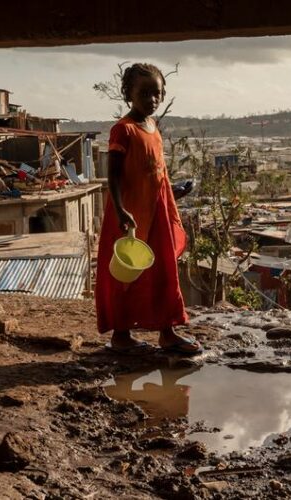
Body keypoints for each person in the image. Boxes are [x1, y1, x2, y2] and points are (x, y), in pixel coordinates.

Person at [95, 63, 202, 356]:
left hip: (156, 213)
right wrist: (120, 210)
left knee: (164, 271)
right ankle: (121, 334)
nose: (151, 100)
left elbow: (156, 173)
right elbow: (113, 176)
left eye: (156, 94)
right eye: (144, 93)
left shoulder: (153, 127)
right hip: (130, 217)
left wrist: (174, 193)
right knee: (126, 277)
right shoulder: (123, 130)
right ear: (129, 93)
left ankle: (168, 332)